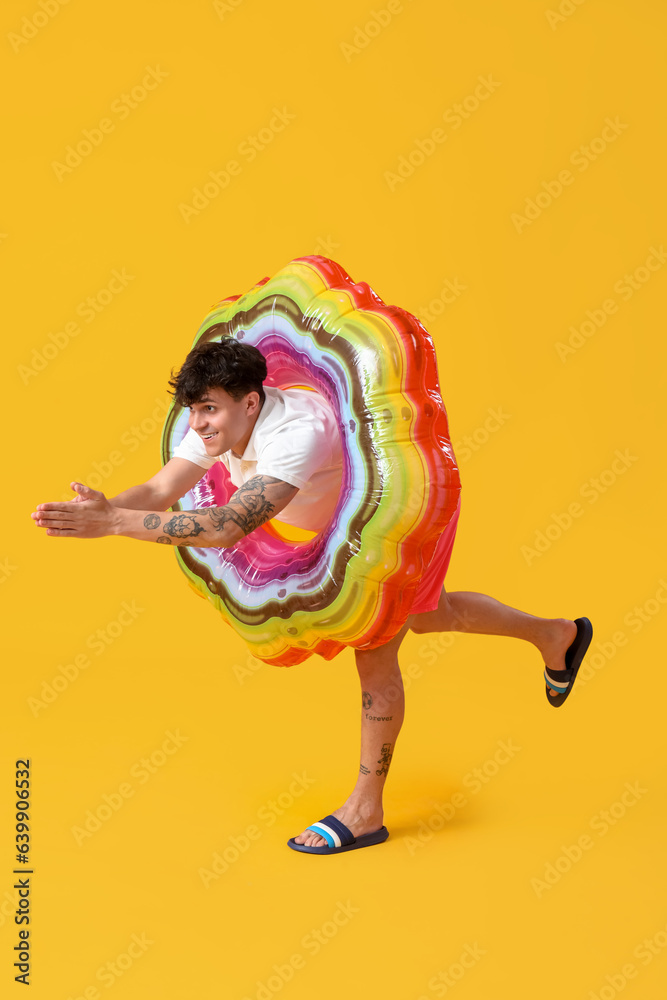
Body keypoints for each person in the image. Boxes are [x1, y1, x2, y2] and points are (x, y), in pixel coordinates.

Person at [32, 339, 592, 855]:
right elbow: (160, 490)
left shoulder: (299, 431)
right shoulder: (209, 421)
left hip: (395, 512)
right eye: (194, 409)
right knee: (429, 615)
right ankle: (557, 635)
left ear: (251, 403)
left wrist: (116, 525)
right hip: (339, 518)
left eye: (210, 410)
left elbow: (229, 525)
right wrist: (103, 512)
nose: (199, 423)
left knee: (375, 651)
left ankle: (366, 811)